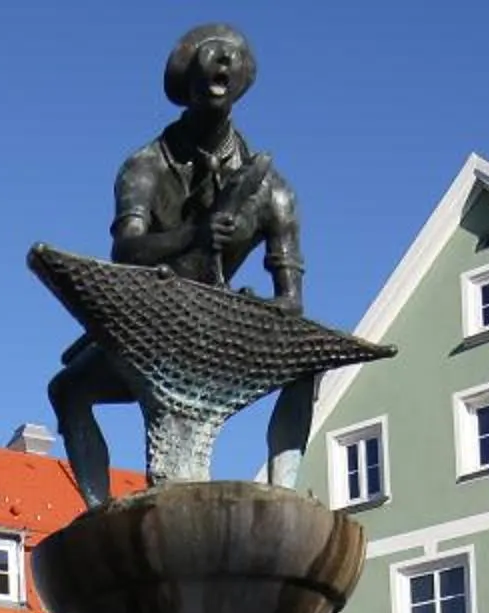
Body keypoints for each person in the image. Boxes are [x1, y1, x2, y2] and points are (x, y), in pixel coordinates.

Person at [47, 23, 310, 508]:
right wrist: (192, 234)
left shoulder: (272, 189)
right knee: (68, 390)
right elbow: (126, 250)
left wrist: (264, 313)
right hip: (150, 318)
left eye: (231, 63)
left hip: (223, 321)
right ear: (185, 85)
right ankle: (100, 513)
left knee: (304, 366)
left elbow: (292, 299)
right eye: (209, 61)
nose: (221, 68)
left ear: (242, 83)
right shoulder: (146, 165)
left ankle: (283, 504)